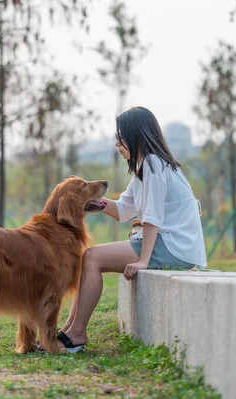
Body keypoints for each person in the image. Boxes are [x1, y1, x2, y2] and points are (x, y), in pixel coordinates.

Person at [56, 106, 207, 353]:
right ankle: (69, 332)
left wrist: (143, 260)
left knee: (92, 257)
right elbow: (123, 210)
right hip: (171, 244)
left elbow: (152, 217)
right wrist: (90, 200)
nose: (117, 143)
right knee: (90, 257)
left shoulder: (153, 164)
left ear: (136, 135)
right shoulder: (145, 167)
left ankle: (76, 334)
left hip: (173, 247)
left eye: (121, 136)